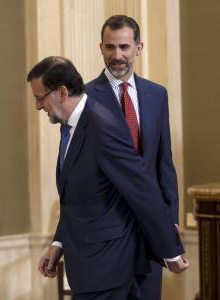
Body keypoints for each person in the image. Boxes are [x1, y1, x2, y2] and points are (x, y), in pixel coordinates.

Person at [27, 56, 188, 300]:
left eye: (40, 98)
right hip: (88, 267)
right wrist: (58, 243)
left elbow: (141, 189)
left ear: (61, 92)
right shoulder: (69, 125)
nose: (38, 106)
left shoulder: (102, 127)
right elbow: (79, 196)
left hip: (107, 269)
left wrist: (171, 251)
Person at [85, 15, 180, 299]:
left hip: (150, 230)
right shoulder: (85, 98)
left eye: (124, 47)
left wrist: (169, 220)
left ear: (139, 47)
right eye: (111, 47)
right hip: (105, 232)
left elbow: (164, 162)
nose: (118, 56)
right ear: (100, 47)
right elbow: (78, 172)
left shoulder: (157, 95)